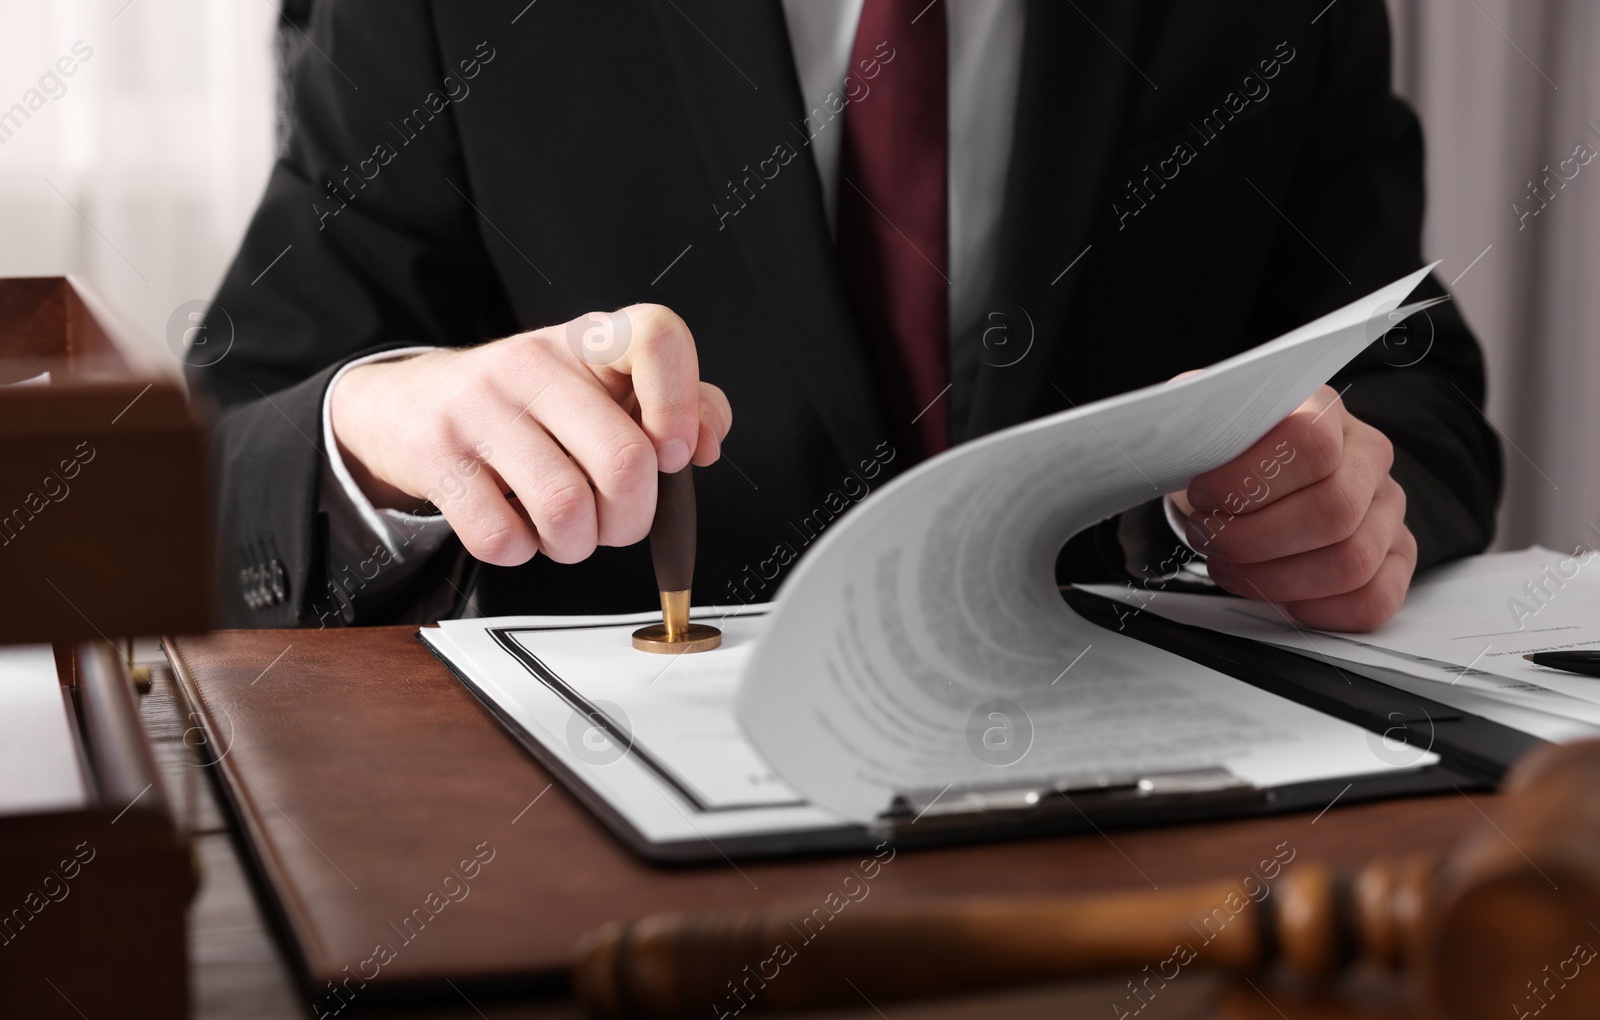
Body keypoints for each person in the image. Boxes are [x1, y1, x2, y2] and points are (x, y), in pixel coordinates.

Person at [191, 0, 1501, 634]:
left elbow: (1409, 379)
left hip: (1155, 863)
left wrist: (1342, 498)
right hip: (601, 891)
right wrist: (387, 432)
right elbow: (235, 444)